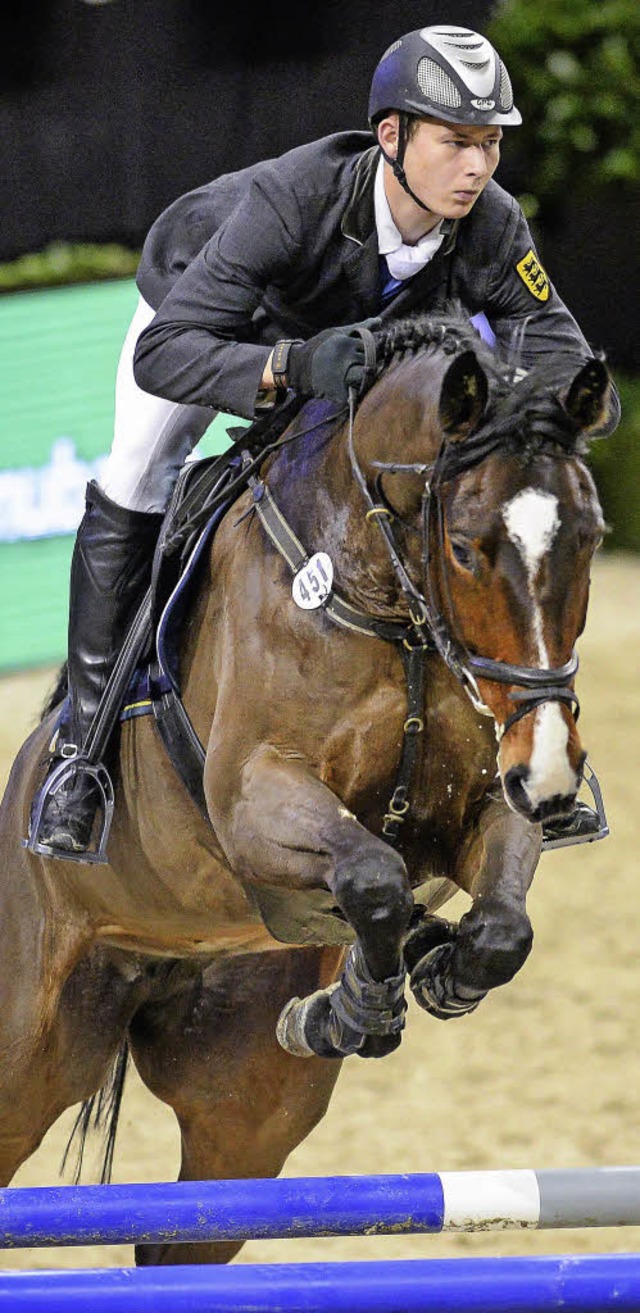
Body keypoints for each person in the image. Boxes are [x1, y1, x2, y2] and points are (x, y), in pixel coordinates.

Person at [29, 24, 619, 859]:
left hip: (346, 347)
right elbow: (166, 355)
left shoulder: (491, 223)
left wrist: (551, 414)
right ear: (392, 136)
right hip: (213, 321)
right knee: (138, 470)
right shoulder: (289, 202)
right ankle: (79, 758)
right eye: (457, 143)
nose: (478, 167)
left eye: (490, 144)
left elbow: (556, 344)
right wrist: (287, 363)